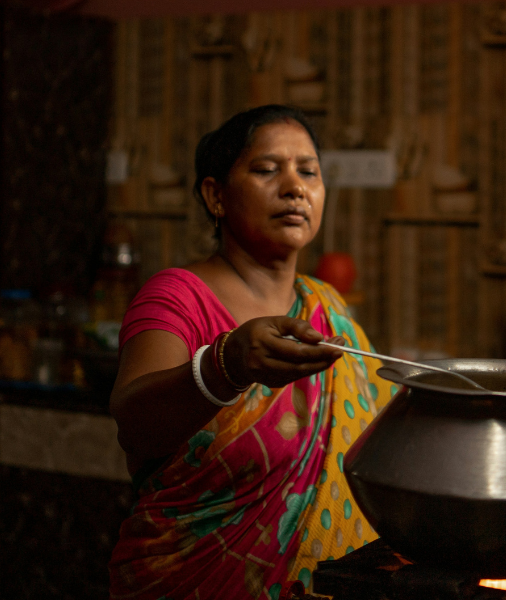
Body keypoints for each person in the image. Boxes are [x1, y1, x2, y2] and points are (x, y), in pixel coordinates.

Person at [107, 105, 394, 600]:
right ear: (215, 195)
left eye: (308, 171)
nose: (294, 187)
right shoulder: (177, 296)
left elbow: (380, 430)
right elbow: (133, 425)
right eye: (266, 170)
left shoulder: (327, 307)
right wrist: (225, 366)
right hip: (195, 577)